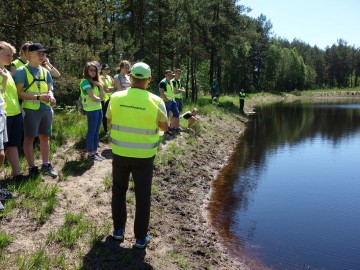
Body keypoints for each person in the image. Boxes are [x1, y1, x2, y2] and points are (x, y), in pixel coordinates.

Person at [106, 62, 168, 249]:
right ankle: (140, 238)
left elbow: (109, 121)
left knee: (118, 190)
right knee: (142, 196)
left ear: (131, 77)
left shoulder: (115, 97)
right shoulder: (157, 101)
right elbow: (164, 126)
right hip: (144, 156)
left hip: (120, 153)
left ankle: (118, 231)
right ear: (148, 80)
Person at [15, 43, 57, 178]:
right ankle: (32, 168)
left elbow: (50, 88)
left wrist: (51, 96)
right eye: (39, 53)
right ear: (30, 54)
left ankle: (46, 164)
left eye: (44, 53)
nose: (42, 55)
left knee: (45, 137)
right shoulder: (22, 71)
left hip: (46, 108)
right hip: (30, 110)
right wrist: (39, 97)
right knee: (29, 138)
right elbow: (19, 93)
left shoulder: (45, 71)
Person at [0, 42, 25, 180]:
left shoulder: (8, 72)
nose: (11, 58)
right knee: (1, 151)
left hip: (15, 113)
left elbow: (13, 93)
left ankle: (18, 175)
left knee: (13, 145)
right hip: (3, 115)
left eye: (12, 55)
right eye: (7, 55)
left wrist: (20, 109)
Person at [80, 62, 105, 161]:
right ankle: (91, 154)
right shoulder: (85, 82)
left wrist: (101, 87)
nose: (93, 72)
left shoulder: (95, 83)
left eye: (94, 70)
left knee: (96, 131)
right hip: (91, 111)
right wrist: (98, 97)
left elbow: (101, 97)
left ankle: (95, 152)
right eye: (91, 70)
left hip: (98, 109)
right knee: (91, 131)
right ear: (86, 71)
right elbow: (94, 98)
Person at [100, 63, 114, 136]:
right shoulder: (101, 77)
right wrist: (111, 88)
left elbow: (113, 85)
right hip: (104, 99)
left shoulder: (109, 77)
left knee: (110, 114)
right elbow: (107, 90)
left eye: (107, 69)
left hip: (110, 98)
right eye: (105, 69)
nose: (106, 70)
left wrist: (111, 88)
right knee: (105, 115)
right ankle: (105, 131)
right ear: (101, 70)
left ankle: (109, 129)